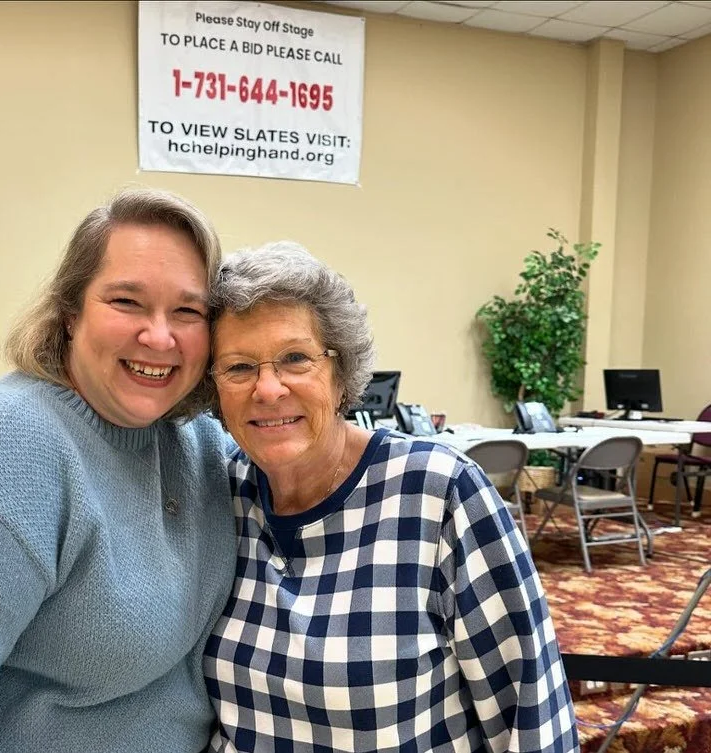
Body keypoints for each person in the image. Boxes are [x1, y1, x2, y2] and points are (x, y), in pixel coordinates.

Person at [0, 188, 238, 752]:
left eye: (187, 311)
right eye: (126, 302)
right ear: (69, 314)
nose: (160, 336)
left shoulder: (196, 438)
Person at [202, 241, 578, 753]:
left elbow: (531, 714)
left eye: (295, 358)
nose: (268, 389)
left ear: (340, 374)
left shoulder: (439, 493)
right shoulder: (221, 494)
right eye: (239, 367)